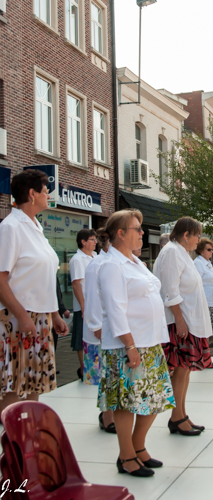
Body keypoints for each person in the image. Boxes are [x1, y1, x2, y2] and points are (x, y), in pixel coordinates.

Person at [97, 209, 174, 477]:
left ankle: (138, 448)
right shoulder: (111, 265)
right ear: (120, 234)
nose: (142, 233)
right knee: (126, 402)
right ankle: (126, 455)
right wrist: (130, 346)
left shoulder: (134, 262)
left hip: (149, 342)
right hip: (126, 346)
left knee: (153, 399)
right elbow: (116, 309)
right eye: (137, 229)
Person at [0, 169, 68, 414]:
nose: (48, 195)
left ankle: (27, 438)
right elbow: (0, 278)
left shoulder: (35, 227)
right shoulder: (11, 227)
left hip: (40, 316)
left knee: (35, 380)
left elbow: (44, 277)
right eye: (45, 191)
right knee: (14, 384)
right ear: (32, 194)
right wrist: (22, 315)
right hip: (17, 318)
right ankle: (11, 440)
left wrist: (55, 314)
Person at [153, 217, 212, 436]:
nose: (198, 240)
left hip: (188, 321)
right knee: (179, 370)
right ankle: (177, 417)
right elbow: (170, 290)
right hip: (180, 321)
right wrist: (179, 319)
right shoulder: (171, 252)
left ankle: (181, 414)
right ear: (186, 235)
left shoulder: (181, 252)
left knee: (185, 370)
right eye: (197, 235)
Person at [83, 228, 115, 434]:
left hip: (115, 327)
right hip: (103, 329)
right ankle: (107, 416)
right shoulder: (97, 264)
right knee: (107, 374)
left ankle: (109, 414)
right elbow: (92, 298)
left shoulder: (113, 262)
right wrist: (96, 327)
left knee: (112, 373)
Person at [69, 229, 97, 381]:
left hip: (96, 305)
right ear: (83, 242)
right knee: (81, 338)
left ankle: (93, 366)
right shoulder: (77, 259)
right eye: (92, 239)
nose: (95, 242)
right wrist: (83, 305)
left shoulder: (96, 257)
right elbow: (76, 284)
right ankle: (84, 368)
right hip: (84, 306)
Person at [194, 238, 213, 368]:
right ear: (201, 250)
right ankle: (202, 359)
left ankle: (207, 358)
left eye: (212, 249)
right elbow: (197, 282)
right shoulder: (198, 263)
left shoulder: (208, 263)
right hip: (204, 301)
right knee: (204, 332)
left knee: (209, 332)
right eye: (209, 250)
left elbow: (212, 283)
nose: (211, 252)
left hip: (211, 300)